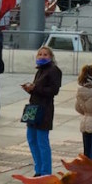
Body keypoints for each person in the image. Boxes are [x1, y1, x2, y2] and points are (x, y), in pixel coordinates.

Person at [22, 45, 62, 176]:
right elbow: (38, 89)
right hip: (33, 107)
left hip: (44, 109)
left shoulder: (53, 70)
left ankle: (45, 171)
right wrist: (30, 89)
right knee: (31, 139)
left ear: (51, 57)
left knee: (42, 141)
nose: (42, 56)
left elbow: (53, 91)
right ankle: (38, 169)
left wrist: (34, 89)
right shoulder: (40, 70)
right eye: (40, 54)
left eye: (45, 54)